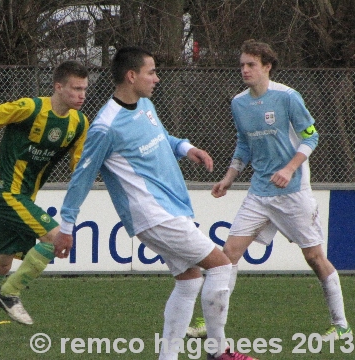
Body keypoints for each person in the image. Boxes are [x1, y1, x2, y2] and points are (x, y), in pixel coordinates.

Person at [53, 46, 256, 360]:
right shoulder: (106, 126)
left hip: (170, 209)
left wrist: (188, 149)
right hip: (153, 214)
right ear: (132, 76)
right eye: (151, 72)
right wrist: (67, 227)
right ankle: (219, 352)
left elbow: (163, 138)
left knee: (189, 281)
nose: (157, 78)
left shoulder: (145, 104)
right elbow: (82, 177)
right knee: (221, 266)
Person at [190, 39, 351, 341]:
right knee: (227, 255)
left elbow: (311, 137)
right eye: (241, 65)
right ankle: (208, 324)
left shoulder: (288, 97)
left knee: (315, 257)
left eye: (251, 64)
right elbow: (243, 144)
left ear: (267, 66)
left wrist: (289, 168)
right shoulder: (239, 103)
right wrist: (229, 177)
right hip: (259, 193)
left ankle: (341, 325)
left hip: (293, 192)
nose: (245, 70)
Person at [0, 60, 90, 342]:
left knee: (0, 265)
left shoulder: (79, 123)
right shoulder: (30, 108)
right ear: (58, 87)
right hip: (5, 193)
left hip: (24, 197)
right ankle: (9, 293)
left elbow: (79, 165)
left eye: (84, 89)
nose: (82, 95)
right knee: (55, 238)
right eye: (76, 88)